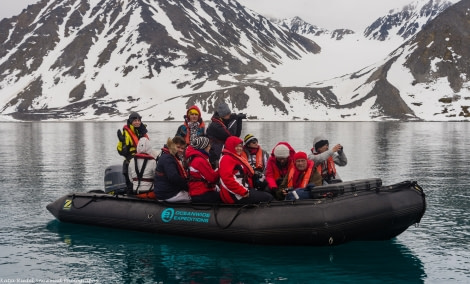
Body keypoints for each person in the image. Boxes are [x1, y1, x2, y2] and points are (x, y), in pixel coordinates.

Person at [218, 136, 273, 204]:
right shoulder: (226, 159)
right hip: (235, 195)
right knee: (268, 197)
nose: (239, 148)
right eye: (236, 146)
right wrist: (243, 192)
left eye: (241, 146)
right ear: (230, 146)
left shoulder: (236, 157)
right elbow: (227, 179)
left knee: (266, 191)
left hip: (243, 189)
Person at [206, 102, 246, 168]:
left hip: (220, 152)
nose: (230, 115)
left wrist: (239, 120)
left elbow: (236, 136)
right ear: (223, 114)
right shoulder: (215, 125)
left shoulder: (222, 123)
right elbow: (230, 135)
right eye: (228, 114)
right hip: (215, 154)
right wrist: (234, 119)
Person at [116, 112, 149, 192]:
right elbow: (122, 152)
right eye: (135, 120)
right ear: (131, 121)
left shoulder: (143, 132)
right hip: (131, 162)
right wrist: (122, 142)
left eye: (138, 120)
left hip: (143, 162)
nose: (137, 122)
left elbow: (148, 148)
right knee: (131, 185)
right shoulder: (127, 133)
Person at [154, 136, 190, 202]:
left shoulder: (169, 156)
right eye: (178, 147)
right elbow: (173, 177)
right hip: (167, 194)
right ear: (172, 145)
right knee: (195, 195)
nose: (180, 150)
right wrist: (188, 187)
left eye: (182, 148)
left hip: (166, 191)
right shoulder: (168, 159)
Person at [185, 137, 221, 203]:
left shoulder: (194, 158)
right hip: (201, 193)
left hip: (196, 191)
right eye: (208, 145)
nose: (210, 147)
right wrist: (220, 169)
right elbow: (212, 178)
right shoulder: (200, 160)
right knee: (223, 197)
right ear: (203, 147)